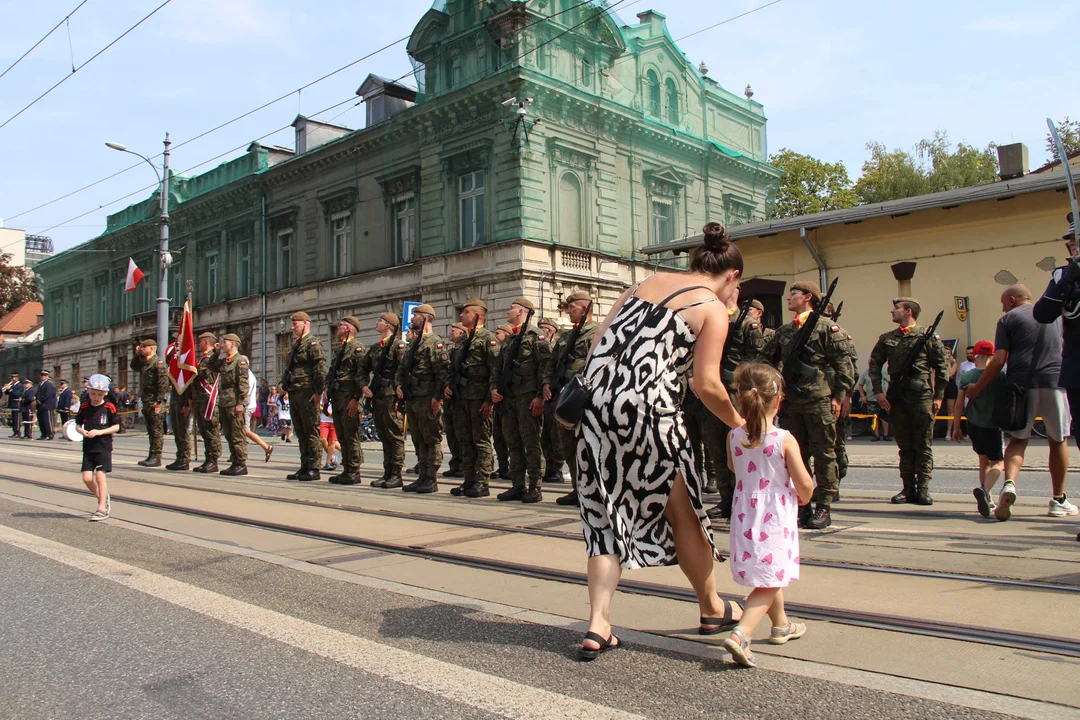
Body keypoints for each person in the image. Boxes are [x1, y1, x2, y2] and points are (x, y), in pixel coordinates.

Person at [575, 221, 745, 661]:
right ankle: (711, 608)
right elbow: (707, 384)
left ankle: (598, 624)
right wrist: (740, 424)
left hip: (595, 410)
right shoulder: (712, 308)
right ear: (732, 276)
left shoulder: (643, 283)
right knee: (684, 511)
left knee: (603, 515)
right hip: (651, 413)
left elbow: (596, 347)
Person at [721, 363, 813, 667]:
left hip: (746, 514)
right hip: (774, 515)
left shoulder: (734, 436)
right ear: (779, 399)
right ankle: (741, 633)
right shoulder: (784, 439)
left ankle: (781, 625)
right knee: (772, 576)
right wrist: (806, 492)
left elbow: (735, 469)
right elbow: (804, 484)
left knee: (770, 571)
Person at [967, 284, 1073, 519]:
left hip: (1020, 387)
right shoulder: (1055, 316)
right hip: (1055, 381)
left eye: (1003, 303)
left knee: (1018, 440)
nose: (1002, 308)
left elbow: (998, 360)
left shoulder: (1009, 319)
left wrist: (977, 388)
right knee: (1058, 441)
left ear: (1012, 300)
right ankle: (1058, 500)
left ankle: (1009, 485)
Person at [761, 281, 854, 529]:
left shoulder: (826, 328)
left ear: (808, 297)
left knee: (824, 453)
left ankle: (823, 506)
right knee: (795, 456)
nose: (789, 299)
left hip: (819, 400)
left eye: (794, 295)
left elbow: (843, 365)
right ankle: (802, 505)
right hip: (791, 402)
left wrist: (839, 396)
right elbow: (765, 360)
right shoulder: (785, 331)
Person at [868, 297, 949, 506]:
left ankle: (923, 489)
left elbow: (942, 368)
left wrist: (939, 396)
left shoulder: (927, 337)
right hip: (897, 396)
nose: (892, 311)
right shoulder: (887, 338)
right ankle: (907, 488)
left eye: (896, 308)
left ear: (909, 312)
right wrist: (878, 391)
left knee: (923, 444)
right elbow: (875, 364)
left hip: (921, 396)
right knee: (904, 445)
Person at [1033, 223, 1079, 529]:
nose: (1072, 247)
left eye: (1076, 241)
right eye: (1070, 243)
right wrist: (1067, 283)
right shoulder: (1063, 277)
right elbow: (1043, 313)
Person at [541, 290, 598, 507]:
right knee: (568, 447)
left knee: (586, 446)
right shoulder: (566, 336)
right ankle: (577, 489)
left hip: (583, 399)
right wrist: (547, 382)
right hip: (563, 397)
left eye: (571, 307)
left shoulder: (597, 333)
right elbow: (551, 362)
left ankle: (592, 491)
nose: (568, 311)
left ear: (583, 308)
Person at [492, 298, 551, 503]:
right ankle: (517, 485)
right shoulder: (510, 339)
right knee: (513, 443)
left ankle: (535, 486)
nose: (508, 311)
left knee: (531, 442)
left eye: (511, 308)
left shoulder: (536, 336)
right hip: (509, 399)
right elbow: (498, 368)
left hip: (527, 398)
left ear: (521, 311)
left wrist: (539, 397)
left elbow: (544, 368)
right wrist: (494, 389)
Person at [394, 304, 450, 493]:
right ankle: (422, 475)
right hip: (413, 397)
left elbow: (442, 373)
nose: (412, 318)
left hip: (427, 398)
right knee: (418, 439)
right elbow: (402, 368)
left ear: (425, 318)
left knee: (431, 438)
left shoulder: (434, 342)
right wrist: (398, 385)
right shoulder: (414, 344)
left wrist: (437, 397)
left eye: (416, 315)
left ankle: (431, 478)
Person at [953, 340, 1004, 518]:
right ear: (993, 356)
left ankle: (987, 498)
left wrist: (956, 427)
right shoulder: (1000, 374)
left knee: (983, 462)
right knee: (998, 462)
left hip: (973, 423)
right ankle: (985, 490)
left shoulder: (967, 377)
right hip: (993, 424)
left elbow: (959, 404)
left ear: (975, 356)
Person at [360, 312, 406, 488]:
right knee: (384, 436)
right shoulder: (375, 348)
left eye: (380, 321)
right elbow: (362, 369)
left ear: (388, 326)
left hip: (391, 396)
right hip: (377, 396)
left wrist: (399, 396)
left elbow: (403, 371)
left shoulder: (398, 346)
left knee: (394, 435)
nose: (377, 323)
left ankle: (396, 473)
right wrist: (364, 386)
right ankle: (387, 473)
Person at [281, 311, 327, 481]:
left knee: (311, 430)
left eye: (296, 324)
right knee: (300, 431)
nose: (293, 328)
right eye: (292, 324)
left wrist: (317, 392)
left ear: (306, 323)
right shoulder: (297, 344)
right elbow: (291, 368)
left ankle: (314, 467)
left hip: (308, 392)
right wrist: (283, 383)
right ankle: (304, 465)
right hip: (295, 392)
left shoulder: (312, 343)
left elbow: (320, 369)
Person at [325, 316, 365, 484]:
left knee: (351, 435)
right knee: (341, 435)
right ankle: (347, 468)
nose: (338, 328)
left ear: (349, 329)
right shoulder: (340, 349)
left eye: (341, 325)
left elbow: (361, 375)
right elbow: (332, 371)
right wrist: (327, 388)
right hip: (337, 398)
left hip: (349, 398)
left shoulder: (357, 348)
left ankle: (354, 471)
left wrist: (356, 398)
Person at [76, 374, 121, 521]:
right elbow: (77, 425)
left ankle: (102, 507)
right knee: (87, 478)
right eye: (93, 393)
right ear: (88, 391)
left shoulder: (109, 407)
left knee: (100, 476)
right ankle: (102, 496)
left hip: (103, 446)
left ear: (106, 393)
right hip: (88, 447)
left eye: (99, 394)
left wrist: (100, 432)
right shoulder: (84, 407)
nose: (96, 397)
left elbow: (116, 427)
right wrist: (82, 431)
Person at [211, 333, 251, 476]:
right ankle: (234, 460)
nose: (222, 345)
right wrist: (216, 353)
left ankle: (241, 463)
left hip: (235, 403)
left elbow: (243, 384)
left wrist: (241, 403)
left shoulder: (240, 361)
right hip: (225, 402)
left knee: (237, 434)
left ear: (233, 344)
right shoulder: (225, 361)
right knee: (228, 434)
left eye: (225, 342)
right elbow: (211, 366)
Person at [132, 339, 169, 467]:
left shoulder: (158, 364)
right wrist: (137, 355)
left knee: (156, 430)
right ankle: (151, 454)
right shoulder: (145, 363)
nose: (141, 349)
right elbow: (134, 366)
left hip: (155, 401)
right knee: (150, 429)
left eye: (143, 347)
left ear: (151, 348)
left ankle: (156, 456)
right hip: (147, 400)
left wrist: (159, 401)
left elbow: (163, 384)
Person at [538, 316, 565, 487]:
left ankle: (557, 468)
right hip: (544, 394)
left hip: (557, 394)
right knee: (544, 434)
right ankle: (548, 466)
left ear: (551, 331)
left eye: (543, 328)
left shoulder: (556, 347)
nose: (541, 331)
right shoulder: (539, 347)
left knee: (556, 435)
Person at [192, 332, 222, 473]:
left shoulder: (211, 358)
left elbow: (204, 374)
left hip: (209, 398)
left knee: (211, 430)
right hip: (200, 398)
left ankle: (213, 460)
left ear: (206, 342)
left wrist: (190, 370)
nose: (199, 345)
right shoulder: (203, 358)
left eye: (200, 342)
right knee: (204, 431)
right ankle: (208, 458)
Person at [442, 321, 467, 479]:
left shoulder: (463, 349)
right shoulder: (451, 350)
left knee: (462, 433)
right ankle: (456, 462)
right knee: (451, 432)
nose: (450, 332)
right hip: (450, 395)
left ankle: (465, 464)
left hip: (462, 395)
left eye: (454, 330)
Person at [166, 344, 193, 472]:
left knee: (183, 432)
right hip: (175, 401)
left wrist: (187, 405)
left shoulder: (184, 368)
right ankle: (180, 456)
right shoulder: (175, 369)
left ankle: (185, 459)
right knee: (177, 431)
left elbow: (188, 387)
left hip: (182, 402)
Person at [492, 324, 513, 480]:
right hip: (497, 399)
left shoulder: (508, 349)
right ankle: (503, 467)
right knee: (498, 437)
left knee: (510, 437)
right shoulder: (500, 352)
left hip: (510, 399)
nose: (495, 335)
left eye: (498, 333)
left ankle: (513, 468)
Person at [243, 365, 273, 463]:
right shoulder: (250, 374)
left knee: (245, 430)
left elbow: (246, 392)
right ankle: (238, 452)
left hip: (247, 406)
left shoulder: (248, 375)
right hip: (249, 405)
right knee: (240, 431)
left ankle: (266, 447)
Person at [35, 369, 57, 440]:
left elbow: (47, 395)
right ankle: (43, 434)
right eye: (42, 375)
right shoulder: (40, 384)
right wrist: (35, 399)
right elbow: (38, 394)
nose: (43, 376)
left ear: (47, 376)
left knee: (47, 421)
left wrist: (38, 401)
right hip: (40, 406)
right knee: (41, 421)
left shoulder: (48, 384)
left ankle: (50, 433)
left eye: (45, 375)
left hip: (46, 405)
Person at [319, 399, 340, 472]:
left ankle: (328, 462)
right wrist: (328, 413)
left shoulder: (337, 393)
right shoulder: (323, 393)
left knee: (332, 441)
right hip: (324, 420)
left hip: (335, 421)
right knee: (322, 439)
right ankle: (333, 457)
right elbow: (319, 405)